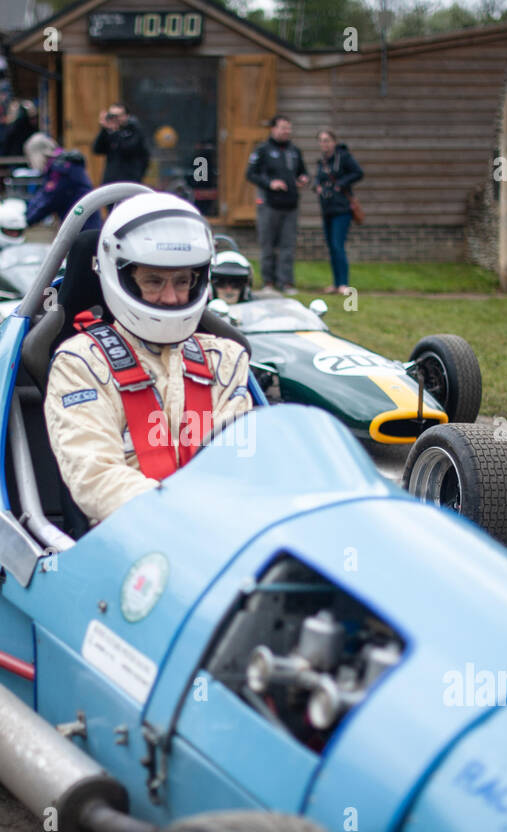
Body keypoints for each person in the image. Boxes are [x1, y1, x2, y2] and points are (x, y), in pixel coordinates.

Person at [44, 193, 252, 524]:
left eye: (182, 281)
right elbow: (96, 478)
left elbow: (242, 467)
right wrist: (184, 518)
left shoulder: (225, 359)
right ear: (121, 277)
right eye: (154, 281)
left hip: (222, 529)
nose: (171, 298)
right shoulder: (80, 363)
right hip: (128, 536)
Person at [245, 114, 308, 294]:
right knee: (268, 245)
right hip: (269, 204)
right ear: (273, 129)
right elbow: (250, 174)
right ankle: (268, 282)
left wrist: (304, 179)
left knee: (288, 246)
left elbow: (302, 172)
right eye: (282, 128)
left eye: (288, 128)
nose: (286, 131)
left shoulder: (294, 151)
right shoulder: (262, 150)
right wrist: (270, 183)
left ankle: (286, 282)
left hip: (291, 206)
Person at [313, 129, 363, 295]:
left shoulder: (344, 157)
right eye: (321, 141)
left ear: (334, 142)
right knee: (331, 247)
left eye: (327, 140)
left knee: (337, 245)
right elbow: (318, 179)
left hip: (342, 209)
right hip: (327, 208)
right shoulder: (322, 161)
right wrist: (317, 187)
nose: (324, 144)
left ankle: (343, 283)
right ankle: (336, 283)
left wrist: (340, 184)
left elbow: (358, 173)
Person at [24, 134, 98, 233]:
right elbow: (44, 194)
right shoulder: (60, 164)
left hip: (82, 223)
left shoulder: (60, 169)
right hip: (81, 217)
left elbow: (50, 199)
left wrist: (26, 220)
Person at [92, 103, 149, 185]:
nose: (114, 119)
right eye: (111, 116)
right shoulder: (110, 132)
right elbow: (97, 149)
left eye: (117, 116)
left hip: (129, 179)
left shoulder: (134, 130)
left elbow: (128, 149)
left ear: (126, 116)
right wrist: (104, 130)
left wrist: (115, 133)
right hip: (111, 179)